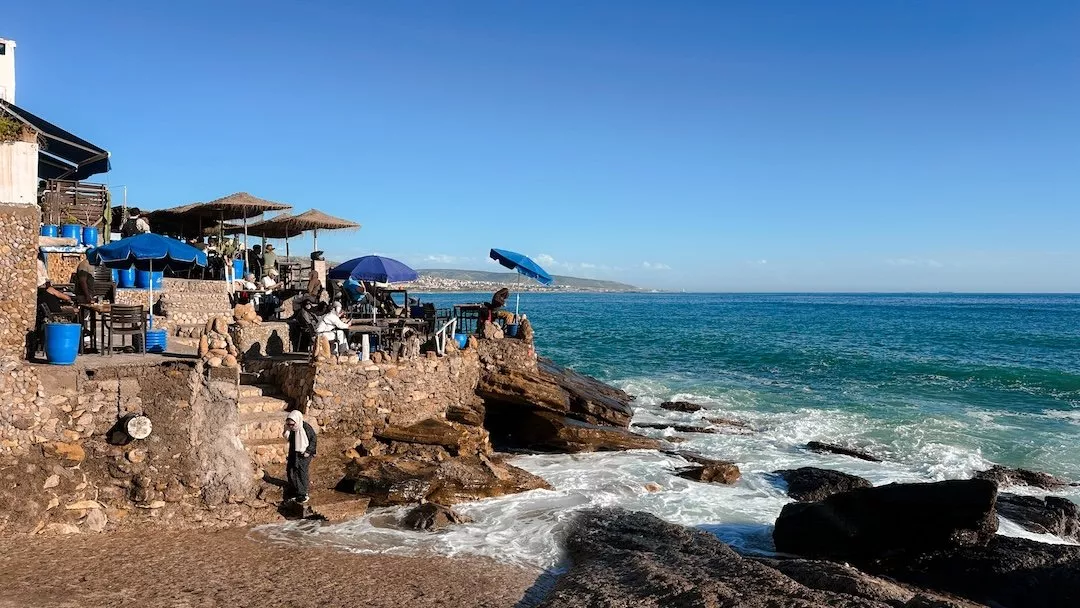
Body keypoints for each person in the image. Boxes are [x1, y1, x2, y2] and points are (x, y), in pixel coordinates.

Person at [283, 410, 316, 504]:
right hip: (294, 453)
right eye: (289, 424)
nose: (290, 426)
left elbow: (313, 439)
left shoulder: (305, 428)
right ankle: (295, 491)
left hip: (304, 454)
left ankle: (303, 494)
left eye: (292, 424)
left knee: (301, 473)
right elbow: (289, 439)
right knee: (291, 471)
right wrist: (287, 430)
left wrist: (308, 451)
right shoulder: (292, 429)